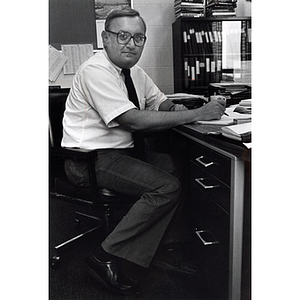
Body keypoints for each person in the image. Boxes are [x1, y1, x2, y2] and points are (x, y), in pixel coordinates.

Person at [61, 7, 226, 295]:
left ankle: (168, 247)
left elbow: (158, 101)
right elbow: (133, 119)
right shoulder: (95, 71)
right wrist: (198, 113)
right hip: (88, 160)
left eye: (139, 38)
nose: (131, 43)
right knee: (166, 186)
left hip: (121, 156)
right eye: (123, 35)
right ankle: (105, 256)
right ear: (106, 38)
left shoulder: (134, 72)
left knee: (180, 166)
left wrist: (174, 108)